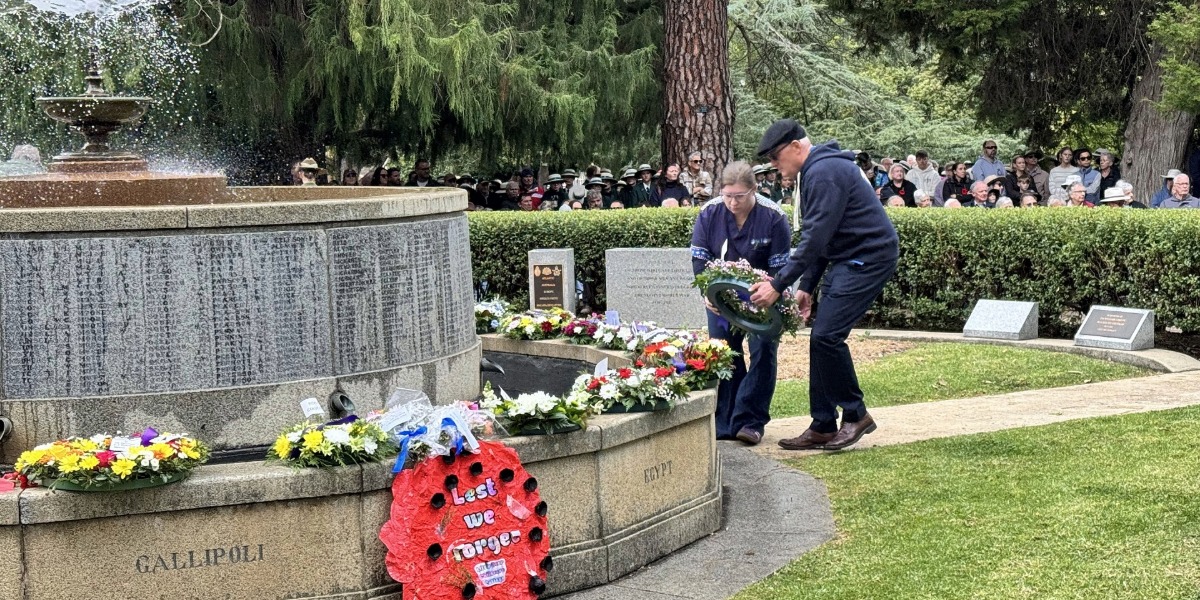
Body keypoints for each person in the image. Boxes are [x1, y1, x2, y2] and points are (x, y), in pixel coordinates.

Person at [749, 119, 899, 451]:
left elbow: (816, 238)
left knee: (828, 337)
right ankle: (822, 423)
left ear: (795, 147)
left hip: (867, 258)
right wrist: (807, 286)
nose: (774, 167)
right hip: (848, 257)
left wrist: (778, 284)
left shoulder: (824, 172)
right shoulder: (817, 170)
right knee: (821, 340)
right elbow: (820, 235)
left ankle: (856, 414)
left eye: (776, 158)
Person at [690, 161, 792, 444]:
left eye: (740, 196)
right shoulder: (708, 213)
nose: (733, 202)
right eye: (727, 195)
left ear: (754, 191)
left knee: (763, 352)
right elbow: (699, 259)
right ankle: (725, 421)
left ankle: (751, 421)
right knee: (725, 354)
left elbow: (781, 268)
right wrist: (708, 294)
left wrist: (772, 292)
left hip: (765, 297)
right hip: (721, 298)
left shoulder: (773, 216)